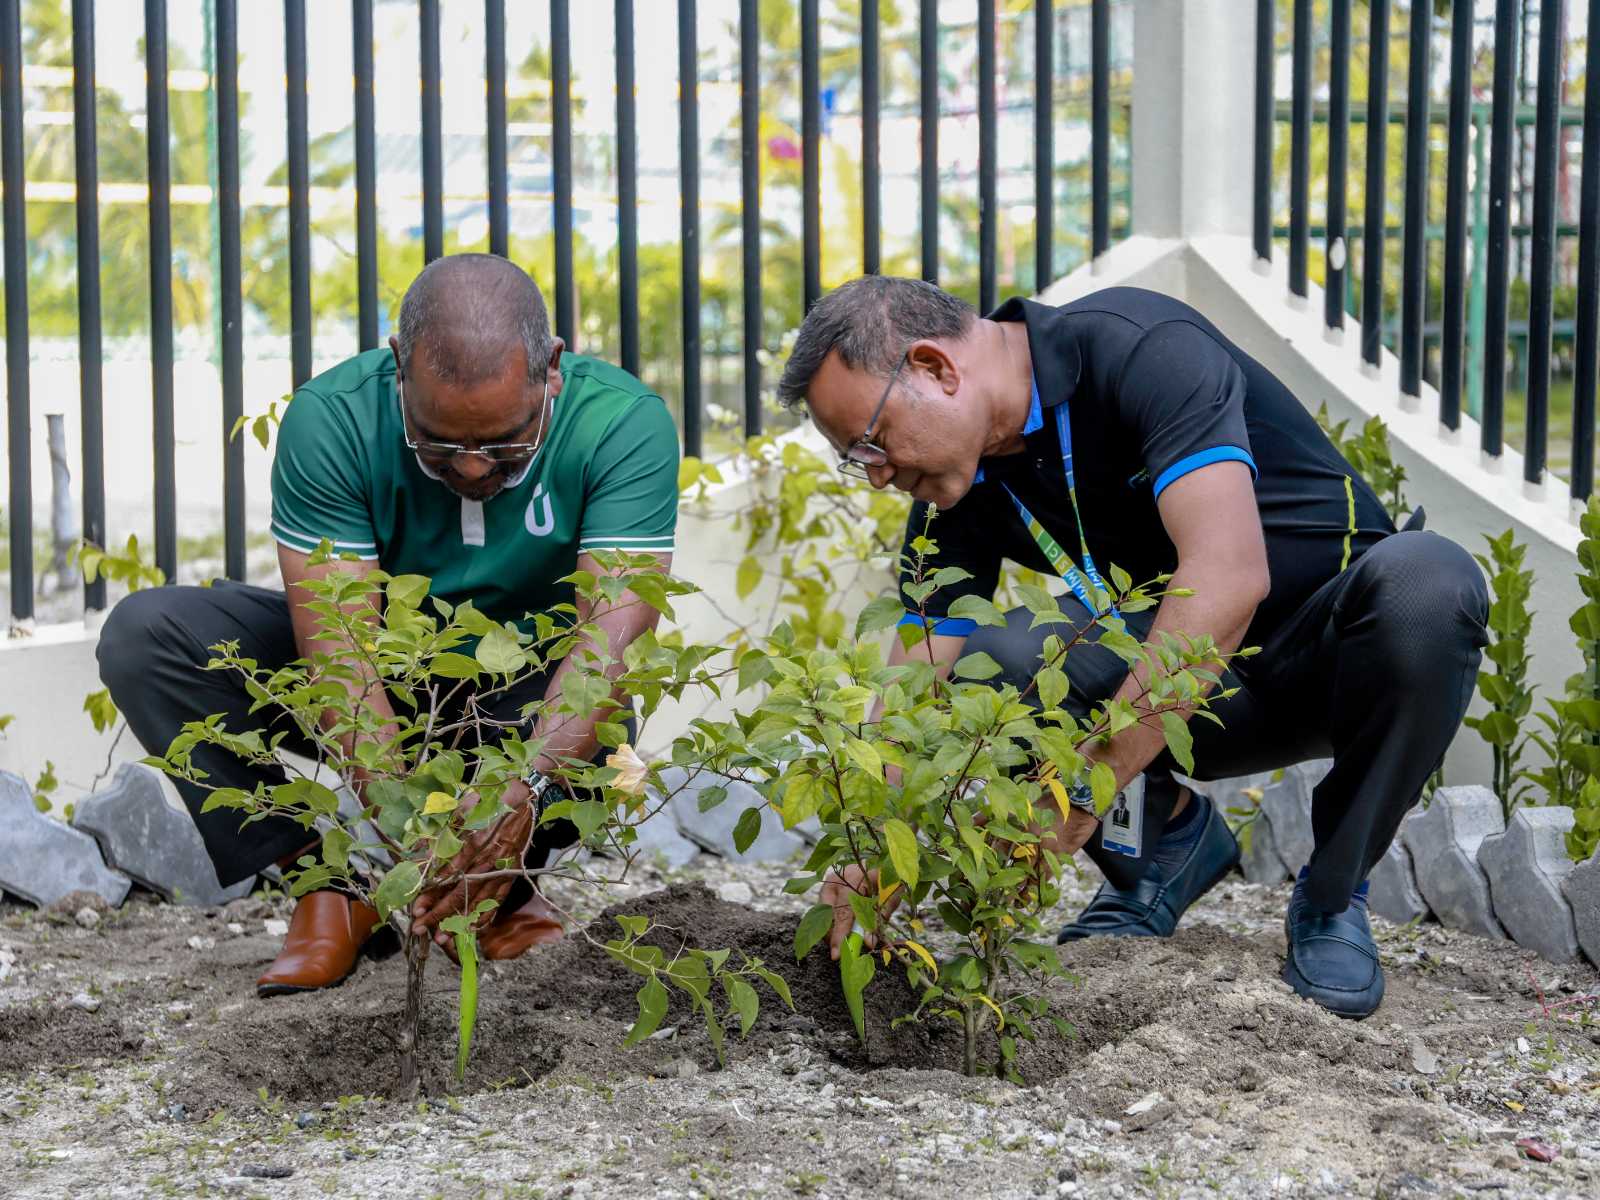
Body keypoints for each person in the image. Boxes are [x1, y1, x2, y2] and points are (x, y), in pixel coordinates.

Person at [778, 276, 1487, 1020]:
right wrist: (880, 851)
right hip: (1186, 704)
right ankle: (1166, 847)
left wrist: (1084, 789)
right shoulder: (956, 484)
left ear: (934, 368)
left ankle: (1333, 895)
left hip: (1327, 660)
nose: (878, 474)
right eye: (856, 460)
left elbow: (1228, 578)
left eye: (869, 443)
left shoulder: (1141, 349)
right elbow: (918, 677)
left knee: (1428, 583)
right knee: (1001, 664)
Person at [97, 254, 680, 996]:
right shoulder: (334, 420)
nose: (471, 470)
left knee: (597, 717)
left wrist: (524, 790)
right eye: (439, 444)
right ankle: (329, 889)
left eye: (505, 444)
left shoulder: (623, 426)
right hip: (388, 681)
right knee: (149, 639)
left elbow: (607, 646)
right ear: (398, 367)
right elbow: (340, 651)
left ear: (553, 372)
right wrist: (410, 838)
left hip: (521, 707)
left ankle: (509, 889)